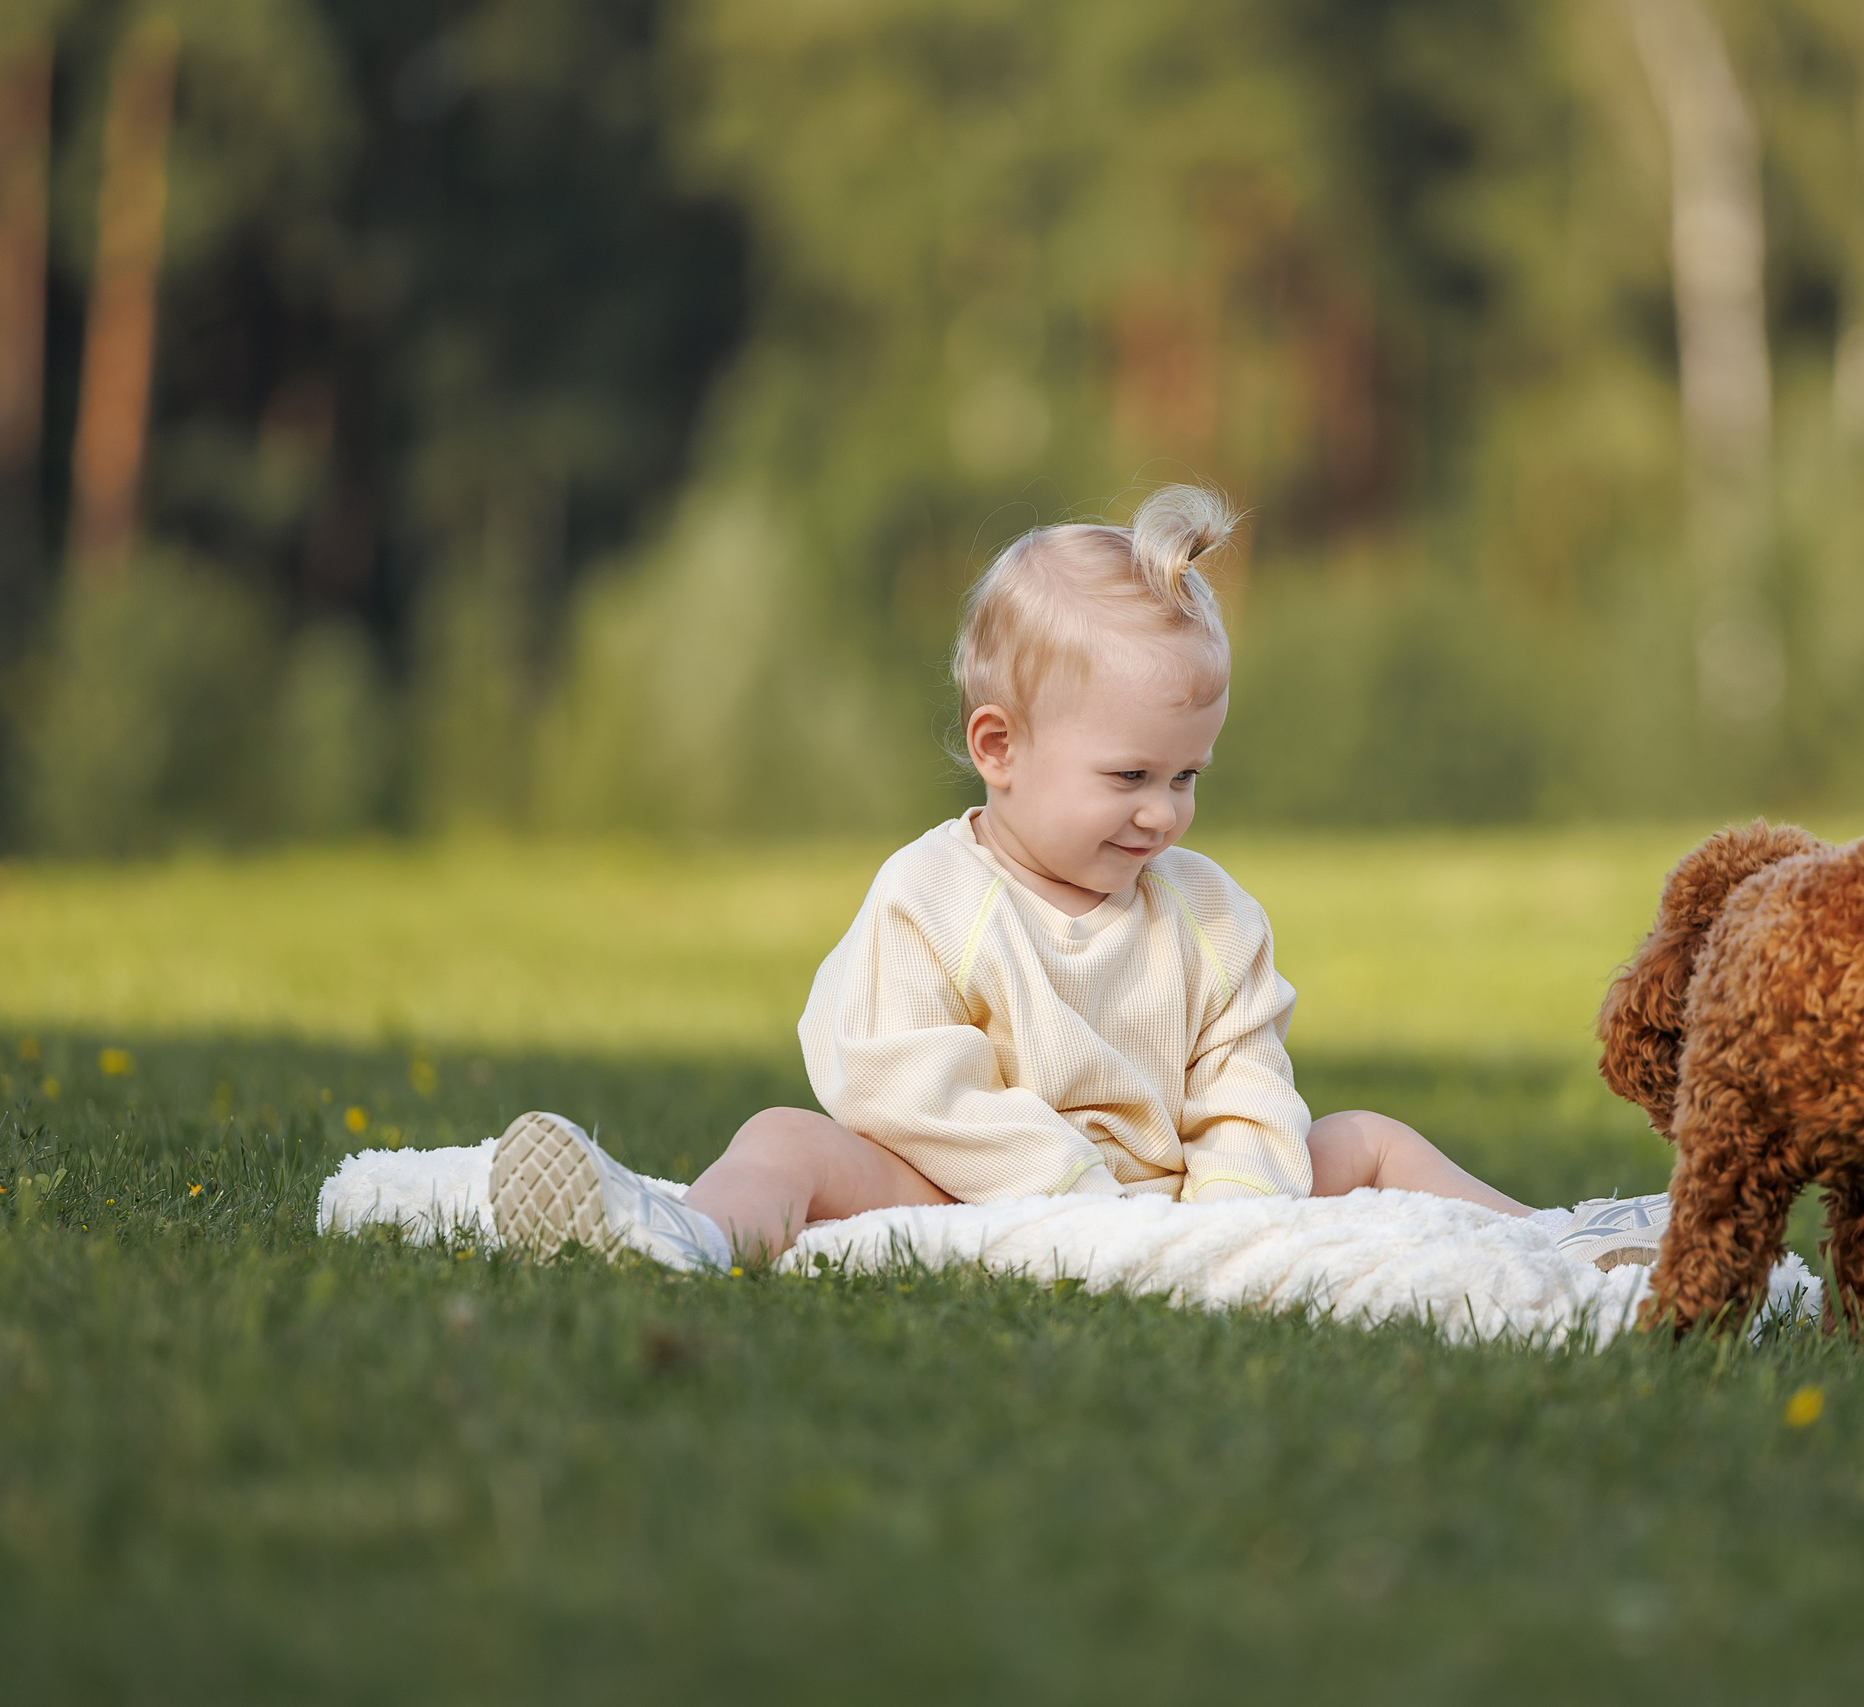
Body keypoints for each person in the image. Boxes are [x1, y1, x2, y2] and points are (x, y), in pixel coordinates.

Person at [487, 484, 1666, 1272]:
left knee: (1365, 1136)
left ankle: (1559, 1247)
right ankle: (676, 1236)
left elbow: (1248, 1080)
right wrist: (1065, 1197)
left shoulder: (1206, 915)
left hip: (1184, 1203)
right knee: (784, 1137)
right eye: (1129, 776)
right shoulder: (930, 899)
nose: (1164, 813)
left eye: (1189, 774)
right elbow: (904, 1081)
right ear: (1000, 749)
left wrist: (1233, 1221)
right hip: (976, 1193)